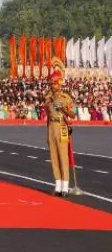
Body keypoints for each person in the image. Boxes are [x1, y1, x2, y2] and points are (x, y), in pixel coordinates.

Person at [43, 60, 75, 196]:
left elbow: (73, 115)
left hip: (62, 126)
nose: (52, 85)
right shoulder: (47, 98)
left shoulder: (66, 98)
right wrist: (47, 133)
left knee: (63, 156)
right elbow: (47, 115)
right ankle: (58, 185)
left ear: (59, 83)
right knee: (54, 156)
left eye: (54, 83)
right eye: (51, 83)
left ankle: (65, 187)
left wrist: (63, 108)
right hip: (52, 126)